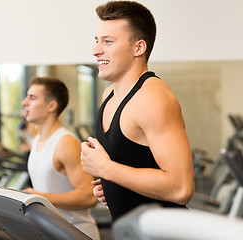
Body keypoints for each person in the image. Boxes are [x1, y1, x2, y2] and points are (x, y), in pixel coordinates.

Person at [80, 1, 195, 222]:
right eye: (97, 41)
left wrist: (107, 169)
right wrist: (114, 187)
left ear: (138, 48)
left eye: (108, 41)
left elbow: (181, 189)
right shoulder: (109, 95)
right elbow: (133, 165)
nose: (96, 50)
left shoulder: (153, 98)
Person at [22, 77, 100, 239]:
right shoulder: (37, 140)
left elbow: (89, 196)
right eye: (27, 96)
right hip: (49, 230)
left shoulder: (66, 143)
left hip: (75, 232)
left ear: (52, 105)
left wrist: (38, 198)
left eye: (33, 98)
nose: (25, 102)